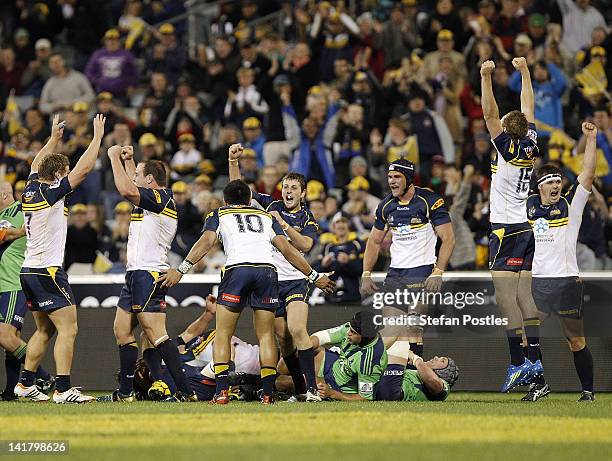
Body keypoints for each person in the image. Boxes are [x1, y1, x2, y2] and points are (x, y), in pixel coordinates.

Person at [159, 179, 335, 404]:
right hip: (267, 272)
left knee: (222, 333)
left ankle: (221, 392)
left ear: (226, 200)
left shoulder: (218, 214)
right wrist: (314, 276)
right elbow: (288, 250)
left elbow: (206, 241)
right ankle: (269, 394)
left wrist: (181, 270)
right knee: (265, 336)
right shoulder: (267, 217)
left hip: (238, 270)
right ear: (249, 200)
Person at [14, 114, 106, 403]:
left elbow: (35, 163)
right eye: (64, 172)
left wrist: (54, 139)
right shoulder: (52, 192)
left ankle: (25, 384)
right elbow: (84, 169)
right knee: (69, 327)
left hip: (29, 269)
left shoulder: (30, 187)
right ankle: (63, 389)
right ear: (57, 175)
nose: (67, 176)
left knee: (44, 329)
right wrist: (97, 138)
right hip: (47, 270)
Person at [100, 145, 197, 402]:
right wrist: (131, 161)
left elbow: (127, 189)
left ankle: (186, 392)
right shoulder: (152, 199)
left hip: (149, 274)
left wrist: (113, 158)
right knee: (122, 330)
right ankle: (125, 392)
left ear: (150, 181)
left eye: (138, 174)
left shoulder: (162, 199)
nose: (134, 177)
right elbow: (135, 186)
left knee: (155, 335)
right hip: (135, 273)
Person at [228, 144, 323, 401]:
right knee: (284, 340)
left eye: (294, 188)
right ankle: (301, 391)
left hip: (295, 282)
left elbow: (305, 244)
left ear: (303, 193)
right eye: (286, 187)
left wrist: (282, 225)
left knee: (297, 329)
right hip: (271, 282)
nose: (288, 191)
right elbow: (238, 192)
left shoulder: (307, 217)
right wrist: (233, 162)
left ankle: (313, 390)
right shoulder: (270, 203)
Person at [480, 57, 545, 394]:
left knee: (504, 299)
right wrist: (524, 73)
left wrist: (485, 76)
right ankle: (536, 362)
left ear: (505, 130)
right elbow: (528, 107)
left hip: (505, 228)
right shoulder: (530, 142)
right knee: (524, 299)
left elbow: (489, 114)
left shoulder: (505, 147)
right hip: (525, 227)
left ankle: (519, 363)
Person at [526, 122, 598, 402]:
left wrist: (590, 139)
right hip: (539, 283)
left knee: (575, 340)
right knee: (526, 334)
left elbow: (588, 173)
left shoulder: (571, 205)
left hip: (567, 281)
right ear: (541, 187)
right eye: (551, 182)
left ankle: (588, 392)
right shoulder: (529, 206)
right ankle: (539, 385)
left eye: (559, 181)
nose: (556, 185)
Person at [360, 159, 455, 361]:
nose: (392, 181)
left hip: (423, 271)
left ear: (409, 179)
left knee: (414, 324)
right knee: (392, 331)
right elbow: (374, 241)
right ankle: (366, 363)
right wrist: (366, 273)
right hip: (395, 274)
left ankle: (412, 374)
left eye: (397, 177)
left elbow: (448, 239)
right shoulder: (385, 206)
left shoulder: (429, 200)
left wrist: (438, 272)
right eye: (389, 177)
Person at [0, 182, 53, 401]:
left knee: (4, 335)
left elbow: (32, 231)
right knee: (11, 339)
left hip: (12, 282)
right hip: (3, 283)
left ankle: (43, 376)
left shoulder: (21, 210)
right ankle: (11, 390)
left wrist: (12, 232)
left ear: (4, 194)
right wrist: (11, 233)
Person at [312, 311, 387, 401]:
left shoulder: (370, 362)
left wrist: (332, 393)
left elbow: (364, 398)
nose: (348, 333)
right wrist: (301, 348)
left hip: (337, 387)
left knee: (301, 381)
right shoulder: (352, 328)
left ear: (365, 337)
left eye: (353, 332)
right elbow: (321, 337)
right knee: (309, 350)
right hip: (334, 364)